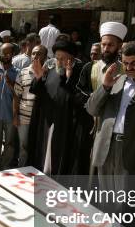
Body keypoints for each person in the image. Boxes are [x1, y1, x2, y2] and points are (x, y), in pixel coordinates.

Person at [86, 41, 135, 195]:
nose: (129, 68)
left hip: (132, 151)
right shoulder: (115, 80)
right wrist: (105, 86)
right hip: (106, 146)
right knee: (105, 197)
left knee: (124, 200)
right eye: (125, 63)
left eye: (134, 63)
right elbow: (91, 109)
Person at [27, 39, 93, 175]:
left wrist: (69, 79)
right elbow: (38, 93)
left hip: (68, 126)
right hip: (48, 122)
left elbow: (80, 100)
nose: (60, 62)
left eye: (63, 58)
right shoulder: (50, 71)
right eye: (57, 58)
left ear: (72, 58)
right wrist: (38, 78)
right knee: (45, 155)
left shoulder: (80, 73)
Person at [14, 45, 47, 167]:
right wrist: (15, 115)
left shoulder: (48, 73)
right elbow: (16, 95)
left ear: (45, 56)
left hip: (41, 119)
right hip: (24, 118)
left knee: (38, 146)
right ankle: (22, 169)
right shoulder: (23, 72)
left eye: (39, 54)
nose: (35, 56)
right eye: (33, 53)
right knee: (24, 146)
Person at [0, 43, 18, 171]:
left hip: (10, 114)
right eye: (3, 52)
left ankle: (6, 165)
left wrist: (11, 83)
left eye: (8, 53)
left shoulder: (17, 72)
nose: (5, 56)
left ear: (12, 55)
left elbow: (19, 94)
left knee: (10, 142)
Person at [85, 22, 127, 93]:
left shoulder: (126, 70)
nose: (106, 49)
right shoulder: (89, 67)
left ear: (119, 46)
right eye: (103, 44)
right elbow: (80, 93)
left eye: (110, 45)